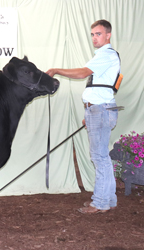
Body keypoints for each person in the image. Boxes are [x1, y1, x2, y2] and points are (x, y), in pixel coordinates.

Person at [46, 19, 120, 214]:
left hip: (101, 109)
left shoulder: (106, 55)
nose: (95, 38)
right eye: (93, 34)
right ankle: (109, 199)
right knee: (102, 156)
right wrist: (90, 112)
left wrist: (56, 70)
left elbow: (82, 73)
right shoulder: (102, 56)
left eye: (98, 34)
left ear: (108, 35)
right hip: (99, 109)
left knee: (99, 157)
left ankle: (101, 202)